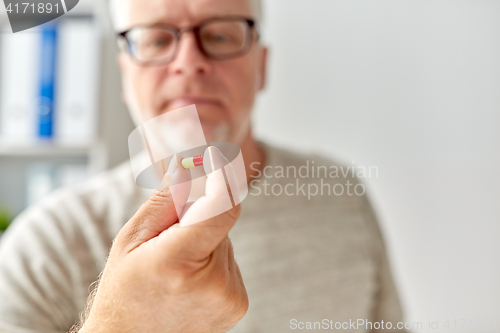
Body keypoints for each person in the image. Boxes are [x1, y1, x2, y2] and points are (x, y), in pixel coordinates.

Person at [0, 0, 408, 332]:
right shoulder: (45, 244)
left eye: (219, 34)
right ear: (125, 74)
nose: (190, 62)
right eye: (158, 39)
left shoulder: (341, 199)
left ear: (262, 66)